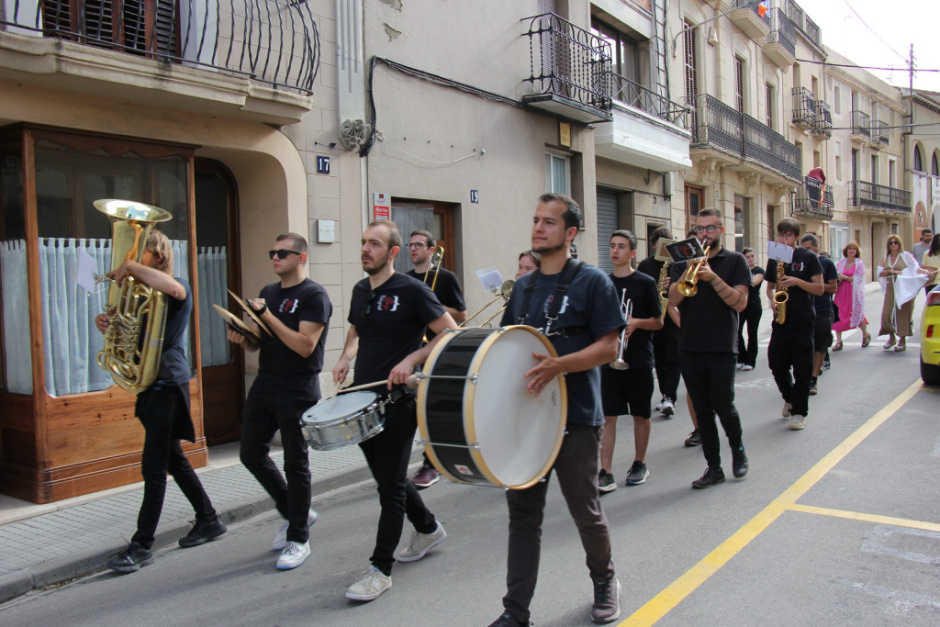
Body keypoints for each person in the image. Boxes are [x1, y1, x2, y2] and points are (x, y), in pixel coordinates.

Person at [489, 194, 624, 626]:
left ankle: (605, 581)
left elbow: (610, 346)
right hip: (529, 420)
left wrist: (559, 366)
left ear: (570, 233)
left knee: (585, 510)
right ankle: (515, 613)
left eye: (549, 222)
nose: (538, 228)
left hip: (578, 417)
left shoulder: (593, 282)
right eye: (535, 220)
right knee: (523, 517)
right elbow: (508, 347)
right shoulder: (524, 287)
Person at [333, 220, 456, 603]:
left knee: (388, 487)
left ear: (393, 252)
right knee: (388, 478)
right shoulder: (359, 290)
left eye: (374, 244)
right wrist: (344, 357)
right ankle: (429, 527)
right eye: (363, 242)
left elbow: (449, 331)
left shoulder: (412, 290)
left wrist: (412, 359)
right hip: (362, 398)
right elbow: (357, 331)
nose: (366, 249)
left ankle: (379, 569)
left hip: (399, 401)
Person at [98, 230, 226, 574]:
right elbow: (130, 337)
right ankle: (208, 519)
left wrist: (128, 267)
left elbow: (173, 289)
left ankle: (141, 546)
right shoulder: (140, 295)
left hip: (168, 383)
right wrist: (109, 327)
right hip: (150, 384)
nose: (135, 262)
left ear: (157, 254)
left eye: (140, 255)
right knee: (173, 459)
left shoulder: (175, 284)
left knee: (153, 468)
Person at [229, 233, 332, 571]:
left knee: (295, 462)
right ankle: (294, 511)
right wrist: (242, 339)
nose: (275, 258)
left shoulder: (313, 295)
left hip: (297, 387)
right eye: (272, 252)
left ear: (301, 257)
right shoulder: (268, 292)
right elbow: (260, 343)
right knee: (250, 453)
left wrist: (268, 316)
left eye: (283, 253)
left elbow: (305, 346)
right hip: (266, 382)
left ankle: (298, 538)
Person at [668, 209, 750, 489]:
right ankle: (713, 467)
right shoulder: (684, 262)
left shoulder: (735, 261)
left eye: (710, 229)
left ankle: (738, 452)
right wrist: (689, 273)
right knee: (702, 412)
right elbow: (674, 300)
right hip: (690, 346)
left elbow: (740, 303)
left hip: (722, 347)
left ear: (721, 230)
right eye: (700, 229)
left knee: (724, 406)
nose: (705, 234)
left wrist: (712, 277)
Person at [598, 230, 662, 492]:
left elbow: (658, 322)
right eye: (612, 246)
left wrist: (636, 322)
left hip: (638, 359)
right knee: (608, 417)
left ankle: (639, 463)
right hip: (609, 361)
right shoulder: (603, 283)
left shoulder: (645, 283)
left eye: (621, 247)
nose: (615, 251)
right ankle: (606, 470)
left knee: (640, 414)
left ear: (632, 253)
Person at [406, 229, 467, 490]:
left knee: (429, 407)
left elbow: (461, 315)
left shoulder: (445, 278)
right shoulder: (405, 280)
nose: (414, 249)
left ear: (432, 250)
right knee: (414, 409)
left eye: (419, 245)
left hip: (436, 349)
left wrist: (432, 307)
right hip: (412, 349)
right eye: (411, 245)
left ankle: (431, 464)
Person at [764, 219, 824, 431]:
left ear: (796, 237)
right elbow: (769, 287)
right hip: (781, 320)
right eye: (780, 236)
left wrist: (797, 281)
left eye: (788, 236)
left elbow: (819, 288)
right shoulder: (776, 256)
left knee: (802, 369)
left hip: (802, 320)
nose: (783, 240)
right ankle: (790, 398)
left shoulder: (808, 257)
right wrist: (772, 298)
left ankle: (799, 413)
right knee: (776, 364)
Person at [636, 227, 680, 418]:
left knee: (672, 358)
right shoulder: (646, 265)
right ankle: (665, 395)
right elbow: (639, 289)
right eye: (661, 244)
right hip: (654, 317)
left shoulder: (678, 264)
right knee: (659, 359)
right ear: (654, 245)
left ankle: (670, 396)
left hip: (672, 316)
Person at [799, 234, 838, 396]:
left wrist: (814, 285)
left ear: (816, 247)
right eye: (803, 249)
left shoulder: (827, 263)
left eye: (808, 248)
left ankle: (813, 380)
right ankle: (804, 376)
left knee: (820, 346)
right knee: (803, 347)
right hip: (803, 309)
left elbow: (833, 287)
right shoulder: (799, 264)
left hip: (822, 309)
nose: (805, 252)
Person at [878, 235, 920, 352]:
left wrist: (926, 273)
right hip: (890, 287)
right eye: (891, 243)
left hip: (904, 288)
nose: (893, 245)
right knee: (886, 314)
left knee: (902, 313)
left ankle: (902, 339)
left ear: (899, 244)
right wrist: (891, 271)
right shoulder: (885, 257)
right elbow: (880, 272)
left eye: (895, 242)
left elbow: (915, 268)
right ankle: (891, 337)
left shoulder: (906, 256)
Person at [832, 241, 871, 350]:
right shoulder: (840, 262)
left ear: (857, 251)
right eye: (850, 249)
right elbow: (836, 274)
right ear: (846, 251)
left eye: (854, 249)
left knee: (857, 314)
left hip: (854, 293)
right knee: (838, 314)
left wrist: (845, 277)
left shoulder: (859, 264)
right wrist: (839, 278)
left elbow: (859, 279)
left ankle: (865, 335)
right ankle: (839, 342)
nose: (852, 251)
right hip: (841, 292)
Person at [736, 247, 765, 371]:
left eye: (752, 256)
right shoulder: (740, 270)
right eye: (748, 257)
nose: (751, 259)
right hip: (741, 304)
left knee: (752, 333)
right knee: (737, 331)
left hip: (753, 304)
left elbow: (752, 282)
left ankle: (750, 361)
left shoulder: (759, 270)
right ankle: (741, 358)